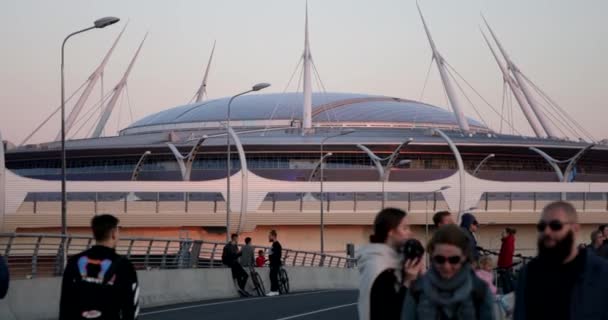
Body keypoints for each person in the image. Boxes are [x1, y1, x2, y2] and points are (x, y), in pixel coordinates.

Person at [513, 201, 608, 320]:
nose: (547, 232)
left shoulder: (602, 273)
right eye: (542, 227)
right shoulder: (528, 273)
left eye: (555, 225)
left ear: (575, 228)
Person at [401, 224, 495, 320]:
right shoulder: (417, 289)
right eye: (440, 259)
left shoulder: (479, 290)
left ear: (464, 257)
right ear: (432, 257)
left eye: (454, 260)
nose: (446, 266)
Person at [59, 214, 139, 320]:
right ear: (114, 233)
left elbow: (65, 302)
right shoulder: (125, 266)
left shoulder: (74, 261)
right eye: (118, 230)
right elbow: (130, 308)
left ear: (95, 234)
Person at [357, 208, 423, 320]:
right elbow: (390, 312)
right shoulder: (379, 266)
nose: (410, 232)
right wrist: (408, 281)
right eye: (405, 228)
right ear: (391, 232)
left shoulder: (393, 260)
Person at [497, 227, 516, 294]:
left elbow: (507, 255)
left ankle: (509, 299)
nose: (501, 234)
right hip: (504, 267)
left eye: (503, 232)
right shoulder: (506, 241)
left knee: (507, 285)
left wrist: (504, 267)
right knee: (506, 284)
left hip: (506, 267)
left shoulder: (508, 242)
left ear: (508, 233)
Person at [267, 230, 282, 296]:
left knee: (273, 276)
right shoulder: (275, 244)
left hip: (275, 263)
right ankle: (275, 290)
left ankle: (273, 290)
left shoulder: (276, 244)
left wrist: (270, 253)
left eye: (269, 236)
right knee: (273, 276)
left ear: (273, 236)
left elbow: (276, 255)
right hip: (275, 263)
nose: (268, 237)